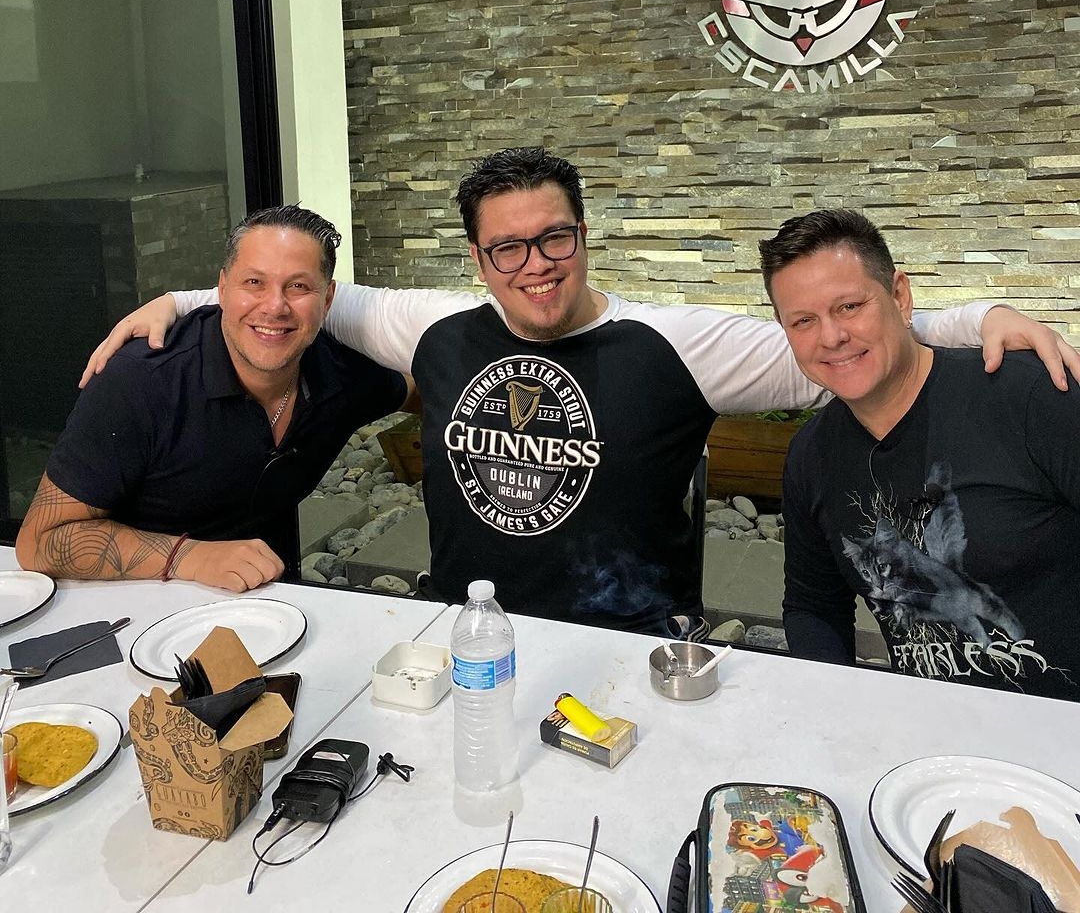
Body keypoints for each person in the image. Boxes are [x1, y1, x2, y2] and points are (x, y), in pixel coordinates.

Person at [82, 149, 1080, 633]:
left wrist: (977, 318)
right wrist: (180, 300)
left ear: (582, 234)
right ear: (478, 259)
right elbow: (293, 297)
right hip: (468, 631)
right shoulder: (430, 325)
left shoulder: (677, 344)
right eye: (507, 248)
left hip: (632, 647)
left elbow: (842, 344)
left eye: (553, 236)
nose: (535, 264)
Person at [759, 208, 1080, 700]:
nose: (831, 337)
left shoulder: (1029, 397)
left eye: (849, 306)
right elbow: (814, 606)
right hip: (927, 729)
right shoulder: (812, 455)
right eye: (804, 320)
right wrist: (833, 710)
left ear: (900, 296)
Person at [17, 205, 409, 592]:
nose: (275, 306)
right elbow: (40, 542)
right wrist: (189, 557)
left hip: (269, 607)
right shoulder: (142, 382)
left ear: (327, 300)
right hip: (139, 608)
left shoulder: (338, 373)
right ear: (222, 289)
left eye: (298, 287)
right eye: (254, 282)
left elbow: (418, 389)